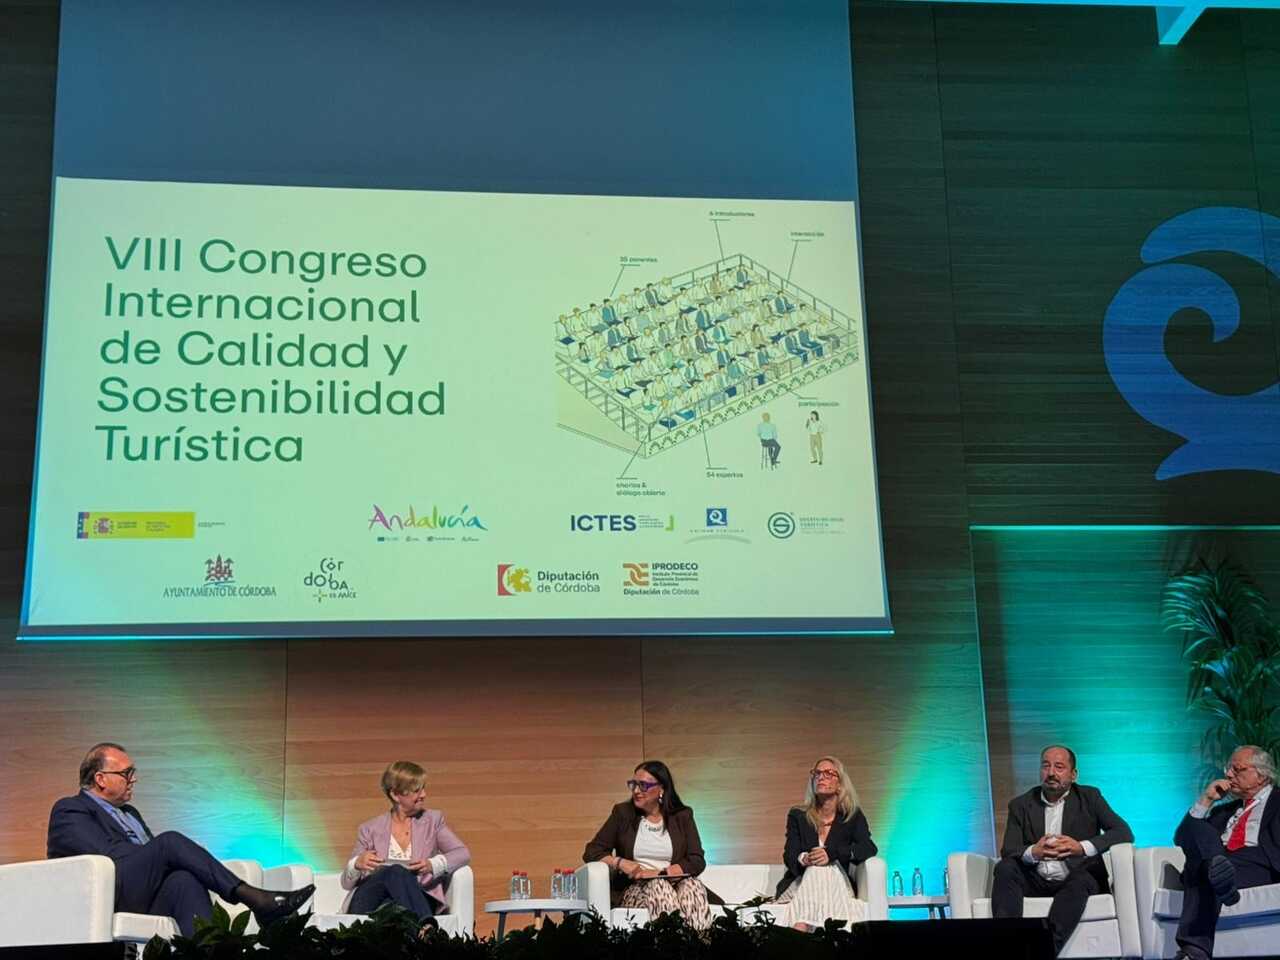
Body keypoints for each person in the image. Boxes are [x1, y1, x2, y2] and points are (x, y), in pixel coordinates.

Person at [47, 742, 314, 937]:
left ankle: (210, 950)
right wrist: (163, 854)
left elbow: (148, 858)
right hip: (111, 892)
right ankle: (255, 898)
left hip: (144, 891)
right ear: (100, 779)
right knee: (170, 842)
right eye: (127, 773)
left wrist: (173, 860)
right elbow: (107, 855)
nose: (134, 779)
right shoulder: (70, 809)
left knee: (185, 880)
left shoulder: (130, 813)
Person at [992, 745, 1133, 955]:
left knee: (1081, 879)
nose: (1051, 773)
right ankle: (1008, 947)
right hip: (1036, 879)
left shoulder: (1090, 797)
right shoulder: (1020, 804)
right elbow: (1009, 850)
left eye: (1059, 767)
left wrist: (1081, 848)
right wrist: (1033, 852)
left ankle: (1044, 951)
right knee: (1006, 868)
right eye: (1045, 766)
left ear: (1073, 774)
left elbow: (1123, 832)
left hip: (1077, 876)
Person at [1171, 745, 1279, 960]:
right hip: (1223, 859)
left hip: (1260, 863)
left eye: (1237, 769)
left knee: (1204, 865)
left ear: (1262, 776)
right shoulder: (1223, 811)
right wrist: (1206, 799)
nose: (1229, 774)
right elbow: (1182, 838)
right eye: (1228, 769)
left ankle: (1194, 952)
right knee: (1203, 838)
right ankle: (1220, 877)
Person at [583, 761, 712, 931]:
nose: (636, 791)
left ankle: (700, 943)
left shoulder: (682, 815)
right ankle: (671, 944)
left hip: (675, 882)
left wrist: (662, 873)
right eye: (633, 784)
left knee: (692, 886)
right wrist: (620, 862)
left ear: (662, 788)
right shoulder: (623, 813)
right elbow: (592, 851)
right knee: (659, 886)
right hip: (637, 888)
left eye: (643, 785)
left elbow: (696, 860)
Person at [340, 761, 471, 926]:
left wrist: (432, 864)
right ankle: (426, 926)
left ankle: (417, 929)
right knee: (394, 871)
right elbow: (346, 883)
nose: (424, 795)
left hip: (414, 898)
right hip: (370, 901)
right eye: (417, 790)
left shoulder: (433, 821)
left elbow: (462, 853)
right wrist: (356, 864)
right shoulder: (369, 829)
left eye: (423, 788)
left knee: (395, 909)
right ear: (396, 795)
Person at [775, 757, 876, 931]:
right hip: (802, 882)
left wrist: (832, 854)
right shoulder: (798, 815)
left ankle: (801, 927)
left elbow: (868, 848)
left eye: (829, 773)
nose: (821, 777)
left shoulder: (852, 816)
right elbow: (789, 855)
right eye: (817, 773)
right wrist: (805, 859)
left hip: (838, 883)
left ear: (840, 784)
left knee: (826, 867)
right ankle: (835, 933)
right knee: (816, 869)